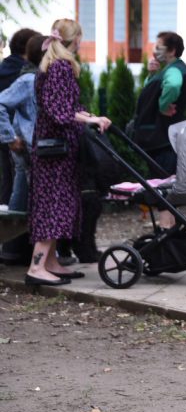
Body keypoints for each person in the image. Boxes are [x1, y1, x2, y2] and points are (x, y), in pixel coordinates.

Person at [25, 20, 111, 286]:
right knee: (54, 206)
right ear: (75, 39)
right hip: (56, 154)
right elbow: (59, 112)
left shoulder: (50, 66)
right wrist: (90, 120)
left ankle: (50, 262)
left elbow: (62, 106)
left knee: (60, 204)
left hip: (55, 150)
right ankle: (37, 267)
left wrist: (88, 114)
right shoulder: (61, 67)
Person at [132, 31, 186, 226]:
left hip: (161, 139)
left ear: (172, 51)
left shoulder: (173, 71)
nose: (154, 51)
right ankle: (171, 228)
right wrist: (152, 75)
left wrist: (164, 105)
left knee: (163, 186)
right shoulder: (170, 69)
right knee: (165, 184)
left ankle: (167, 228)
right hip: (164, 138)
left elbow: (173, 85)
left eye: (159, 47)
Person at [0, 34, 45, 213]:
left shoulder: (38, 78)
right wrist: (9, 137)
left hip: (26, 143)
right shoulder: (28, 80)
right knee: (21, 198)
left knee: (19, 195)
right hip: (26, 145)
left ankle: (16, 237)